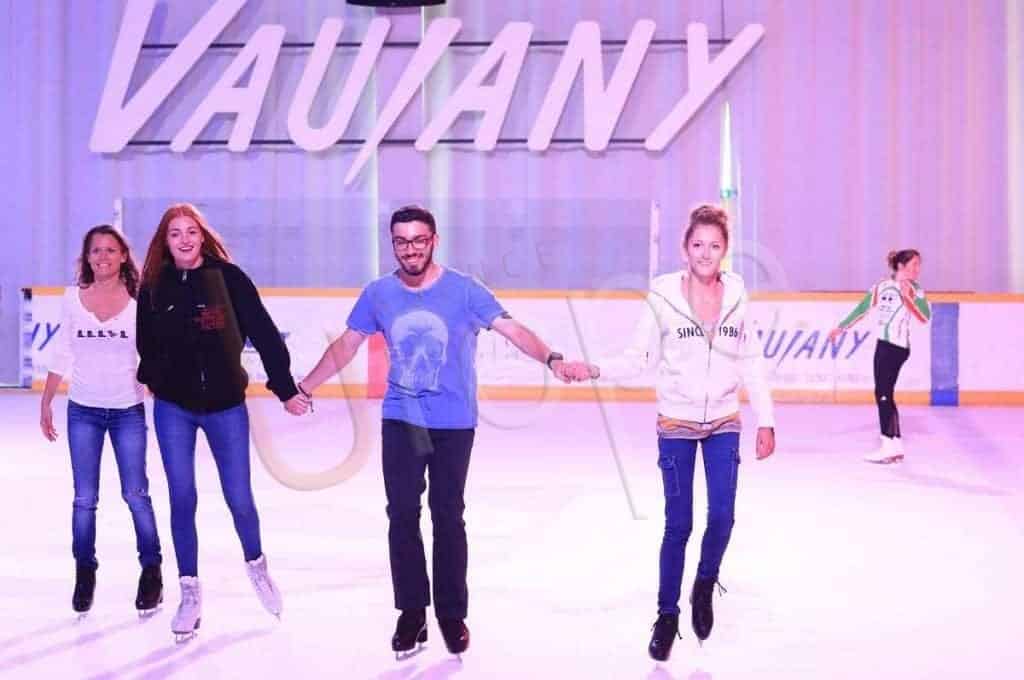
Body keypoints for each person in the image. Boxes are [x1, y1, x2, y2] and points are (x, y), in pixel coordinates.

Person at [297, 205, 586, 659]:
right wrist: (306, 386)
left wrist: (552, 358)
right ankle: (412, 612)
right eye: (401, 241)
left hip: (454, 422)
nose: (410, 248)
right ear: (392, 243)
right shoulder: (378, 294)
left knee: (448, 515)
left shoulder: (465, 291)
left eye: (418, 240)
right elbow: (347, 345)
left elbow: (511, 329)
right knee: (403, 515)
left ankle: (452, 614)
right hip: (403, 418)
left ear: (434, 240)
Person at [589, 204, 775, 662]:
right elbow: (638, 359)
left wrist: (765, 418)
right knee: (679, 525)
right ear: (685, 248)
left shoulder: (736, 294)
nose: (705, 253)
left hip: (724, 423)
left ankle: (705, 583)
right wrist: (594, 368)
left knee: (724, 516)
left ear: (725, 250)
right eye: (698, 244)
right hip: (675, 424)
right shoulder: (663, 295)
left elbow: (750, 359)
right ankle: (667, 615)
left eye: (714, 245)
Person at [136, 203, 309, 641]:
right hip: (174, 407)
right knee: (182, 497)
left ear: (202, 234)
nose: (184, 239)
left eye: (191, 231)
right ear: (165, 241)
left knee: (239, 497)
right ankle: (190, 593)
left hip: (226, 406)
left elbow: (265, 333)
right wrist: (152, 377)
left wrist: (285, 387)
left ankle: (257, 566)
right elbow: (145, 341)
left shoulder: (230, 279)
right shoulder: (153, 285)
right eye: (174, 233)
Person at [39, 225, 164, 617]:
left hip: (128, 410)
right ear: (87, 257)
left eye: (111, 250)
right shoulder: (72, 299)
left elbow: (155, 352)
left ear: (123, 255)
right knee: (84, 498)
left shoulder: (141, 299)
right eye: (96, 251)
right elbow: (62, 352)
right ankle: (85, 571)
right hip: (84, 411)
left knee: (136, 494)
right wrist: (46, 402)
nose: (103, 257)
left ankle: (152, 570)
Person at [828, 249, 930, 463]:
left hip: (898, 347)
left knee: (883, 394)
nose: (917, 269)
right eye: (913, 265)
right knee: (885, 394)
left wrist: (908, 297)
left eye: (919, 265)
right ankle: (895, 445)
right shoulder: (881, 286)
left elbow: (924, 317)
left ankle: (887, 444)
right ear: (900, 266)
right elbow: (862, 308)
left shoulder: (916, 289)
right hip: (883, 345)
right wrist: (841, 327)